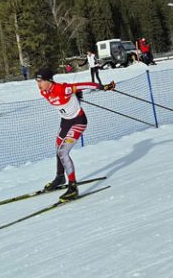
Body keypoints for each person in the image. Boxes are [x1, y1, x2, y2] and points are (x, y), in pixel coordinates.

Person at [35, 67, 116, 201]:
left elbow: (86, 85)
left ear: (49, 80)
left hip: (78, 121)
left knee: (63, 152)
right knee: (58, 148)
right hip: (65, 122)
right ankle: (60, 177)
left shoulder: (62, 89)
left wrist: (104, 87)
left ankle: (73, 188)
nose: (39, 84)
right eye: (37, 81)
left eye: (41, 81)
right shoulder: (43, 92)